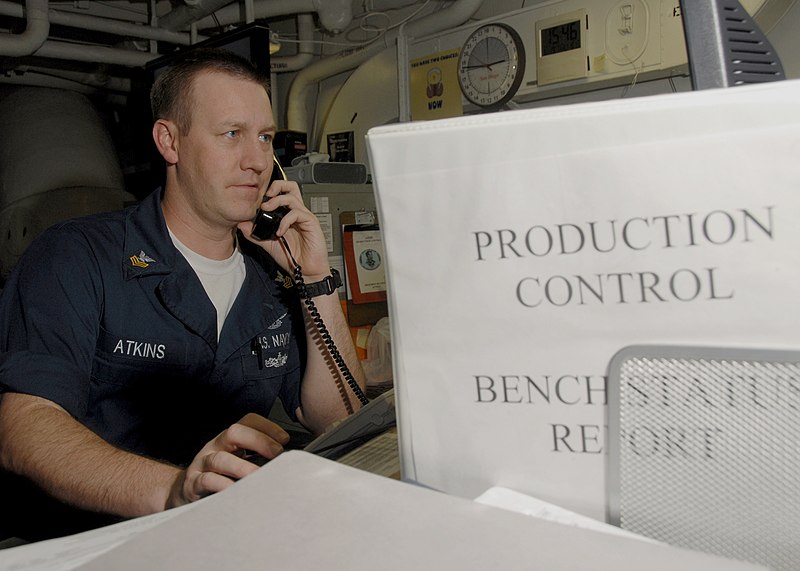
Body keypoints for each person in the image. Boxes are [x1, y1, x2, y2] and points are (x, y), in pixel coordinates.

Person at [0, 48, 366, 541]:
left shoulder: (270, 275)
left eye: (265, 138)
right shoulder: (76, 256)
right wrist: (174, 491)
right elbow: (24, 427)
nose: (257, 161)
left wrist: (316, 279)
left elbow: (337, 420)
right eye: (231, 134)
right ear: (169, 141)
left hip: (228, 535)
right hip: (96, 540)